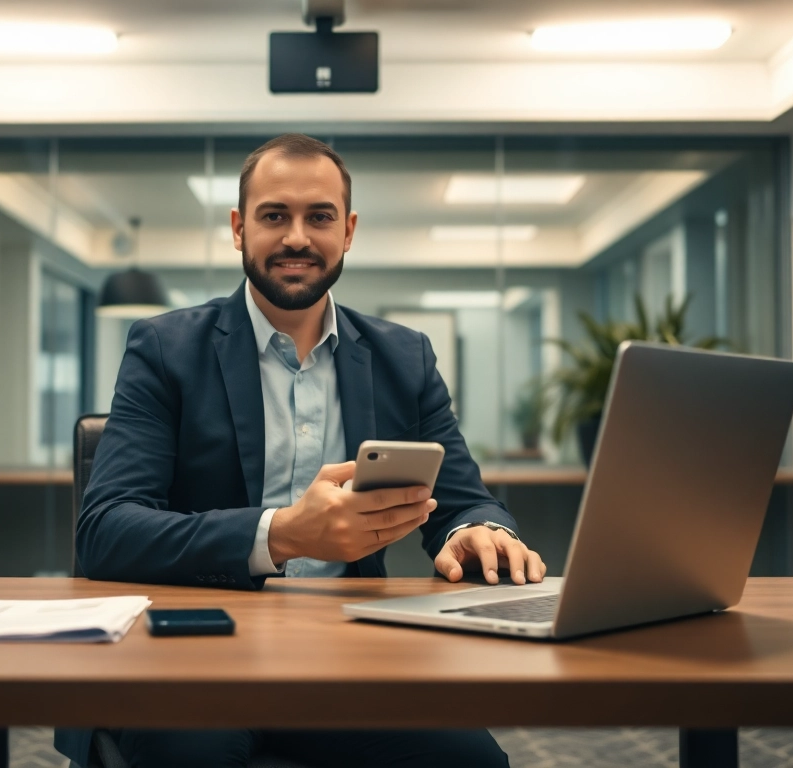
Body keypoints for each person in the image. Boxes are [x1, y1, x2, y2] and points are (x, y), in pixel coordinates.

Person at [57, 134, 544, 768]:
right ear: (238, 229)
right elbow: (106, 531)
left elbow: (462, 501)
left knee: (473, 763)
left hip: (354, 657)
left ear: (348, 231)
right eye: (273, 216)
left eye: (319, 216)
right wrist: (282, 534)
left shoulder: (405, 358)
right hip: (199, 659)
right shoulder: (164, 348)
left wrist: (478, 530)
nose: (296, 237)